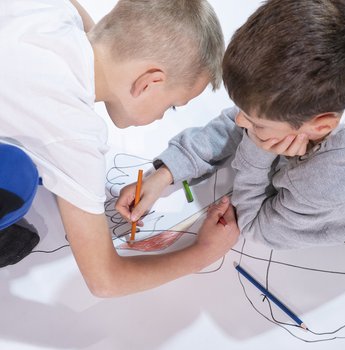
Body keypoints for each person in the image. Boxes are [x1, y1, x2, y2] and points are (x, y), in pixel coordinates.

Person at [0, 0, 239, 296]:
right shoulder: (74, 134)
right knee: (17, 180)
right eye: (172, 106)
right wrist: (203, 252)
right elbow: (105, 281)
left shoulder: (53, 9)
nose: (162, 116)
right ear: (149, 83)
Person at [117, 0, 345, 250]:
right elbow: (235, 126)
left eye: (256, 123)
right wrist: (166, 174)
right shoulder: (290, 107)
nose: (240, 120)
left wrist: (258, 152)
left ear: (320, 125)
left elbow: (255, 228)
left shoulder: (324, 183)